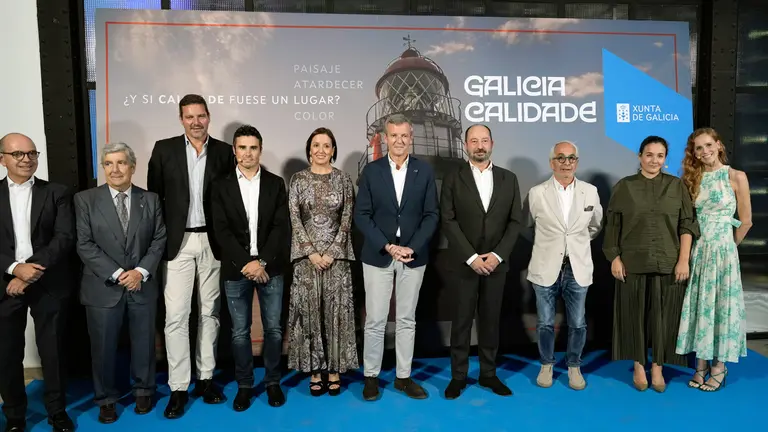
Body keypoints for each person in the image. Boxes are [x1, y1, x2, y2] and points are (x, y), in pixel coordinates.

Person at [147, 94, 234, 418]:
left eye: (201, 116)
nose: (196, 122)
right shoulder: (164, 150)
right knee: (176, 316)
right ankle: (179, 387)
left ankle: (206, 378)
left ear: (209, 116)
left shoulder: (224, 152)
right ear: (181, 119)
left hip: (212, 242)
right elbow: (154, 200)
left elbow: (230, 200)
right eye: (189, 117)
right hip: (177, 244)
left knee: (210, 313)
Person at [74, 142, 167, 423]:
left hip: (142, 284)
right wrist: (117, 274)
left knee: (144, 343)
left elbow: (159, 239)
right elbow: (84, 243)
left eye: (121, 163)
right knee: (102, 348)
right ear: (103, 167)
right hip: (103, 287)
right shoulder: (85, 200)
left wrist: (140, 272)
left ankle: (143, 390)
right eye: (109, 164)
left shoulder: (150, 199)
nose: (115, 169)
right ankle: (106, 399)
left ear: (132, 166)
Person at [603, 135, 699, 392]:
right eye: (649, 155)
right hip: (632, 262)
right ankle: (638, 365)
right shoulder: (624, 186)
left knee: (664, 318)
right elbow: (612, 226)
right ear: (640, 156)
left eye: (660, 156)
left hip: (669, 262)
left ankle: (658, 366)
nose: (654, 160)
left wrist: (683, 260)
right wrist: (614, 257)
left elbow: (687, 224)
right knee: (633, 316)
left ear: (665, 159)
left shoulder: (677, 186)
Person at [353, 113, 439, 401]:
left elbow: (431, 215)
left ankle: (404, 377)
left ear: (410, 137)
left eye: (404, 135)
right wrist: (388, 246)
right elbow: (362, 215)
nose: (399, 140)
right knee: (375, 320)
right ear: (385, 138)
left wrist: (411, 247)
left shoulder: (424, 171)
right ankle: (371, 377)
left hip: (413, 256)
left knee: (406, 319)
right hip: (378, 254)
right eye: (394, 135)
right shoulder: (372, 171)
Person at [210, 125, 290, 411]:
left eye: (253, 147)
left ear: (260, 150)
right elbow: (220, 230)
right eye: (242, 147)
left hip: (271, 267)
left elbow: (281, 227)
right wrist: (246, 263)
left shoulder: (275, 183)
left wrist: (262, 262)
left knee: (274, 330)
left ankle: (272, 382)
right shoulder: (220, 185)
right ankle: (244, 385)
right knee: (239, 332)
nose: (247, 153)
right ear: (234, 151)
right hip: (237, 268)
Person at [0, 133, 76, 432]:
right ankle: (14, 417)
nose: (27, 159)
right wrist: (15, 269)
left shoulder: (57, 192)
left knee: (53, 352)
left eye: (32, 153)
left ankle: (57, 412)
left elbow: (64, 237)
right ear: (2, 159)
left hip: (48, 282)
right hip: (5, 284)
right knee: (7, 354)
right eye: (18, 154)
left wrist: (29, 271)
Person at [440, 124, 522, 399]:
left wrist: (497, 256)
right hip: (464, 263)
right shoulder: (453, 178)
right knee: (461, 322)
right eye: (474, 141)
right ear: (466, 145)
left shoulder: (509, 179)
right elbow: (448, 220)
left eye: (484, 140)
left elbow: (515, 222)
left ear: (492, 144)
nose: (479, 146)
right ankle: (458, 376)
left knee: (490, 322)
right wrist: (472, 257)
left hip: (496, 264)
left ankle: (488, 374)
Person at [676, 127, 752, 392]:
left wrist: (728, 246)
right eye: (699, 148)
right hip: (699, 251)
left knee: (721, 307)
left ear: (719, 145)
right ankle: (701, 365)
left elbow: (746, 221)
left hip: (723, 253)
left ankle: (719, 367)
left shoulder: (736, 176)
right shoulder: (691, 178)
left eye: (709, 145)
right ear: (694, 153)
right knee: (702, 307)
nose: (704, 151)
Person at [286, 127, 358, 396]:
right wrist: (311, 253)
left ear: (333, 150)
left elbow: (347, 218)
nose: (321, 150)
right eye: (316, 145)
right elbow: (294, 218)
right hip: (306, 260)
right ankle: (315, 371)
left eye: (326, 145)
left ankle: (335, 370)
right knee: (310, 314)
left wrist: (332, 252)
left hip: (337, 259)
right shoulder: (298, 179)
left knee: (336, 314)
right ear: (309, 149)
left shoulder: (343, 179)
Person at [527, 141, 603, 390]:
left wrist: (574, 244)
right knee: (544, 323)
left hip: (578, 266)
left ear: (576, 162)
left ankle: (574, 366)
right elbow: (529, 227)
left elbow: (595, 225)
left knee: (578, 323)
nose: (566, 163)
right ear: (552, 162)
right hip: (545, 265)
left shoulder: (590, 192)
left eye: (571, 158)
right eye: (561, 158)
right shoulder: (537, 193)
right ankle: (546, 364)